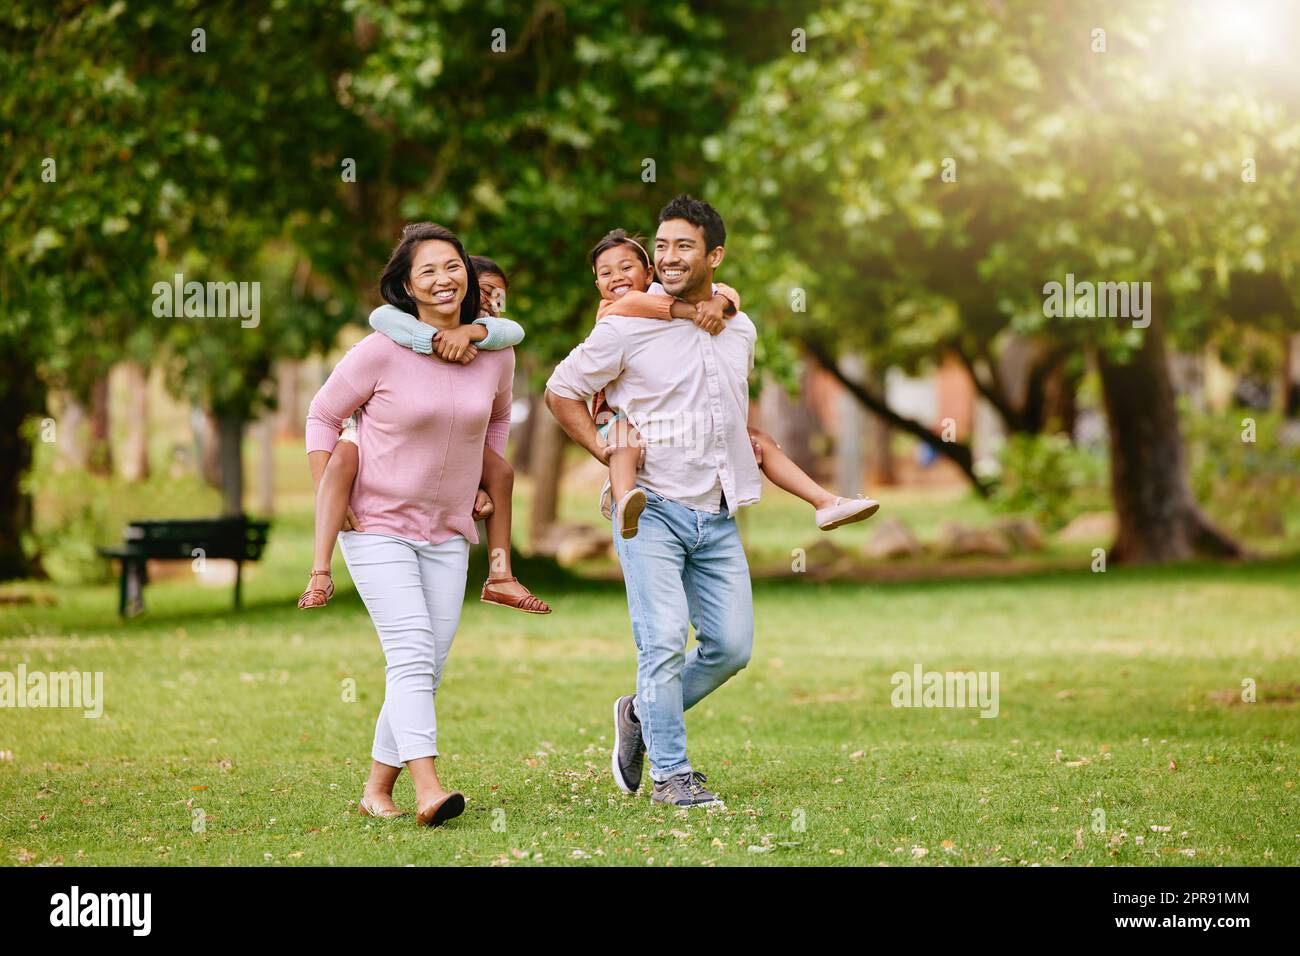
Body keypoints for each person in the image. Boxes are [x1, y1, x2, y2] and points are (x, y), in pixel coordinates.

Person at [545, 195, 759, 807]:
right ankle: (672, 775)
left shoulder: (737, 326)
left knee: (731, 648)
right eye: (660, 246)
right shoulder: (623, 326)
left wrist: (725, 302)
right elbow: (561, 391)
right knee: (662, 640)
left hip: (715, 513)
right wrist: (603, 449)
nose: (667, 257)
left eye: (683, 246)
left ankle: (638, 712)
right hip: (650, 510)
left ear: (714, 255)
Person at [305, 222, 514, 826]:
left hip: (448, 529)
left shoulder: (496, 353)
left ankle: (377, 790)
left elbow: (497, 423)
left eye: (453, 266)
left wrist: (481, 477)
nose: (444, 279)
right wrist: (328, 489)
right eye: (428, 270)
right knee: (412, 652)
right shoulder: (380, 350)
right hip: (376, 523)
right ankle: (429, 788)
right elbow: (322, 415)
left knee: (426, 664)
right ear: (406, 286)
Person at [584, 229, 880, 539]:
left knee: (758, 441)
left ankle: (825, 501)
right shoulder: (611, 310)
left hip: (681, 423)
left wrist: (721, 301)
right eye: (605, 273)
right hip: (615, 417)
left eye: (625, 268)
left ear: (649, 273)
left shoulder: (673, 292)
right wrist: (695, 311)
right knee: (623, 441)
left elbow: (727, 290)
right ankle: (624, 502)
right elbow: (639, 305)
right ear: (597, 285)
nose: (616, 277)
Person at [298, 256, 549, 614]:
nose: (493, 305)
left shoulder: (496, 349)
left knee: (502, 473)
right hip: (371, 438)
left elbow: (499, 411)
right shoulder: (394, 334)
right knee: (342, 461)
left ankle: (500, 573)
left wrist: (473, 332)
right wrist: (431, 339)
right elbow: (380, 318)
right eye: (486, 294)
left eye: (500, 298)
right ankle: (320, 571)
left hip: (446, 498)